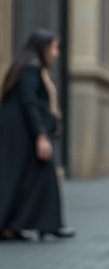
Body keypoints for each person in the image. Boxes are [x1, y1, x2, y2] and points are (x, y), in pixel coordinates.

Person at [0, 29, 75, 241]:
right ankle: (46, 225)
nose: (56, 52)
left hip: (18, 132)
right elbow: (29, 102)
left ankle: (14, 227)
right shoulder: (30, 68)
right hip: (20, 133)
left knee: (22, 178)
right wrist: (40, 136)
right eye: (54, 47)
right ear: (42, 47)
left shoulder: (29, 65)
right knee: (40, 172)